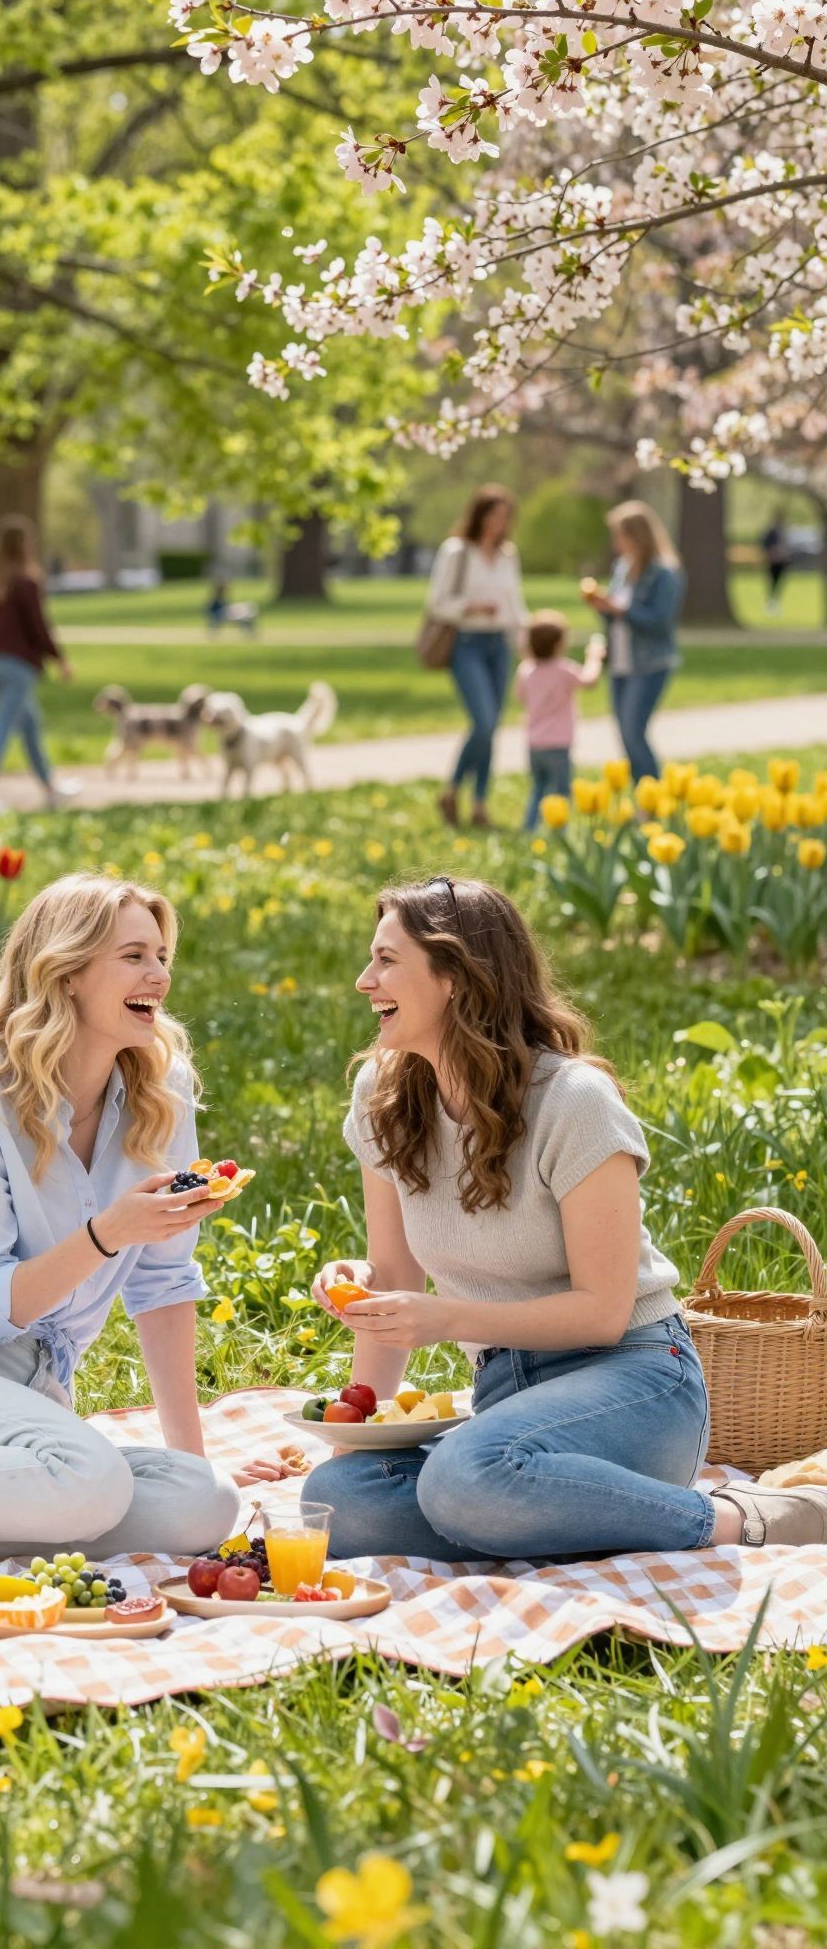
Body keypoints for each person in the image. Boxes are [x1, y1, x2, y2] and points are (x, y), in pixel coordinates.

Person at [304, 877, 827, 1561]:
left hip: (634, 1381)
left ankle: (746, 1518)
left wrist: (446, 1318)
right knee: (340, 1499)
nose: (363, 980)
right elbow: (394, 1274)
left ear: (455, 977)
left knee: (464, 1478)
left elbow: (603, 1312)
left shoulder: (574, 1100)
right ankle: (553, 1511)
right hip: (506, 1396)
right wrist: (357, 1415)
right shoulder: (384, 1096)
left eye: (386, 959)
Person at [0, 872, 287, 1559]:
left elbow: (164, 1283)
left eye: (162, 956)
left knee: (204, 1504)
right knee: (90, 1478)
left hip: (33, 1400)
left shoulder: (160, 1091)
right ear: (68, 973)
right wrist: (109, 1233)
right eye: (133, 956)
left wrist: (191, 1460)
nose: (160, 975)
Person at [427, 485, 529, 830]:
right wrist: (470, 607)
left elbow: (515, 604)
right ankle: (453, 789)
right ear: (479, 515)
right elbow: (437, 602)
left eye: (505, 516)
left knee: (491, 728)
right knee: (483, 722)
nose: (498, 523)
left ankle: (480, 804)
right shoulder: (457, 552)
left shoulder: (507, 555)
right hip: (467, 643)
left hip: (499, 645)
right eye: (493, 515)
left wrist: (525, 642)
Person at [0, 515, 79, 813]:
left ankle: (50, 789)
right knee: (4, 725)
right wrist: (60, 659)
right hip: (17, 665)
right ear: (23, 546)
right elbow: (38, 626)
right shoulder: (25, 583)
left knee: (30, 726)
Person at [581, 500, 685, 784]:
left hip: (650, 662)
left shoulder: (664, 573)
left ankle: (652, 794)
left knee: (634, 732)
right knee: (625, 735)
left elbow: (660, 622)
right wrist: (603, 607)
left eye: (620, 535)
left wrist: (620, 609)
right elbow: (616, 618)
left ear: (637, 535)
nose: (616, 543)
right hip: (621, 662)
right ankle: (643, 793)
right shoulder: (623, 568)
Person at [516, 611, 607, 831]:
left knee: (538, 788)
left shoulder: (526, 670)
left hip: (534, 743)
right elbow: (589, 680)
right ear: (558, 645)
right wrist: (594, 657)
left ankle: (530, 827)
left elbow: (520, 696)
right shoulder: (563, 670)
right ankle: (560, 830)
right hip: (558, 744)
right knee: (560, 791)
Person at [761, 515, 790, 614]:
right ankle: (771, 603)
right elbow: (765, 544)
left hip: (782, 561)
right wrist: (772, 553)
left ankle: (775, 602)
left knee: (779, 582)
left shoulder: (783, 532)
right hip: (773, 561)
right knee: (772, 582)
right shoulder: (771, 533)